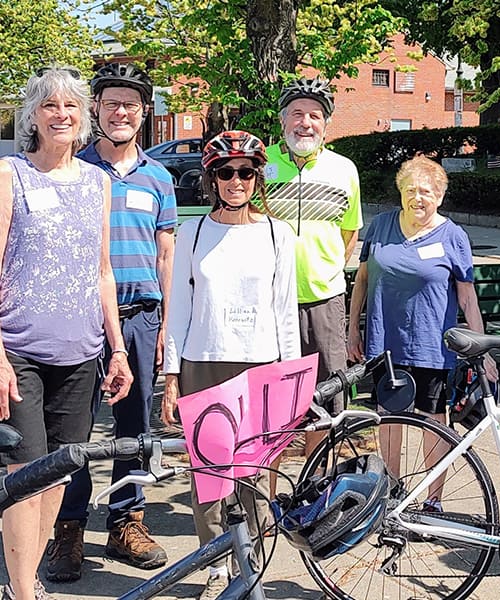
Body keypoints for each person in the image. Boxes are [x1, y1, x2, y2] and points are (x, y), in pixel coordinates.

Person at [0, 66, 133, 600]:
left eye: (72, 106)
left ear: (84, 118)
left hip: (81, 352)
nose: (62, 114)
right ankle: (24, 591)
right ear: (33, 115)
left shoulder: (97, 182)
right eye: (50, 105)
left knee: (58, 471)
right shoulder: (11, 175)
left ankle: (23, 578)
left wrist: (118, 349)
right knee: (24, 472)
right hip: (19, 349)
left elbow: (103, 270)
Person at [46, 63, 176, 582]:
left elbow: (165, 256)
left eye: (131, 104)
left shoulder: (159, 177)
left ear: (144, 113)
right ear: (95, 109)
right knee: (73, 429)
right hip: (81, 317)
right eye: (110, 102)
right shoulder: (73, 170)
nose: (120, 112)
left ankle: (127, 522)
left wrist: (166, 322)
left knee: (136, 427)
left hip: (141, 317)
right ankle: (69, 529)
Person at [161, 131, 300, 600]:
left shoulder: (279, 234)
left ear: (257, 177)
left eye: (245, 172)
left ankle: (253, 564)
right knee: (211, 474)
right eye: (225, 172)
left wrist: (292, 380)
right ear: (211, 179)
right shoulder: (193, 232)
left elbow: (285, 310)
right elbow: (178, 305)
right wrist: (171, 376)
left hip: (260, 363)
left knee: (255, 473)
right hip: (204, 361)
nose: (235, 181)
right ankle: (217, 566)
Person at [347, 156, 498, 506]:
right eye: (410, 190)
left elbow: (467, 298)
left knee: (434, 420)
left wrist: (483, 349)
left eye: (426, 191)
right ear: (400, 193)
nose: (418, 198)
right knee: (389, 419)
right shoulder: (381, 226)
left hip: (431, 343)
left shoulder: (453, 236)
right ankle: (391, 494)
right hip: (385, 342)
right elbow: (362, 281)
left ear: (440, 196)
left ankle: (432, 500)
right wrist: (353, 328)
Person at [264, 77, 362, 467]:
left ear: (326, 124)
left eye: (315, 116)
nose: (306, 123)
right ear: (283, 120)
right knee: (273, 398)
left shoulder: (344, 169)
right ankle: (265, 489)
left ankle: (314, 479)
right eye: (297, 114)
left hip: (325, 298)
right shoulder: (262, 162)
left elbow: (349, 231)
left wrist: (325, 271)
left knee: (326, 395)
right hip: (271, 301)